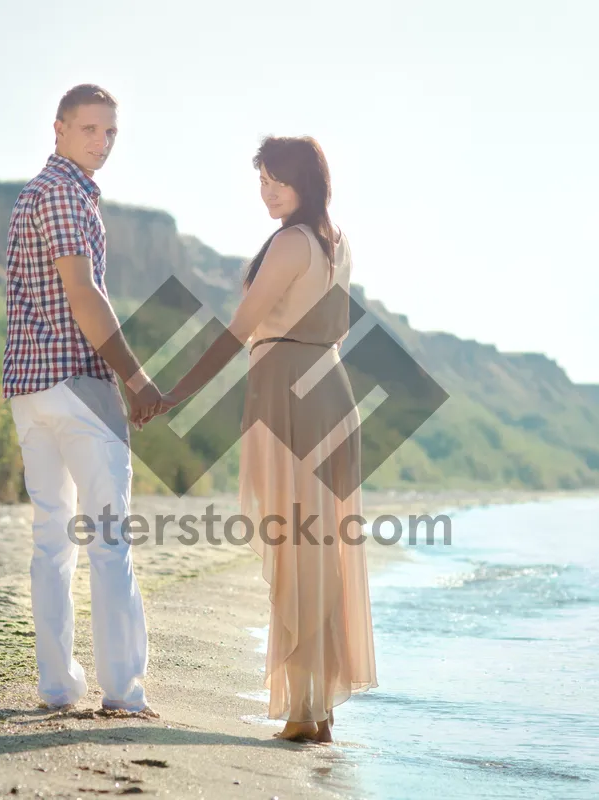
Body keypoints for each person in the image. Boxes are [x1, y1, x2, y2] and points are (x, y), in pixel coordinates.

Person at [158, 135, 377, 741]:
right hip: (328, 389)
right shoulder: (338, 242)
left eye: (279, 179)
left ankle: (306, 713)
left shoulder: (291, 241)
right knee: (317, 550)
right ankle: (316, 708)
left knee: (295, 548)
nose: (268, 191)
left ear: (309, 181)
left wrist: (176, 394)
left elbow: (237, 332)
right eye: (262, 179)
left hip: (288, 391)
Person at [2, 83, 161, 716]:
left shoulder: (30, 195)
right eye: (90, 129)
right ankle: (122, 693)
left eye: (111, 133)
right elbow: (85, 294)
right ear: (59, 129)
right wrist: (135, 377)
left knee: (50, 542)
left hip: (28, 390)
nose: (102, 143)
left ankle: (59, 688)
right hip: (77, 385)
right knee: (109, 540)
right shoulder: (68, 194)